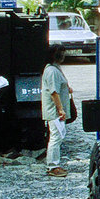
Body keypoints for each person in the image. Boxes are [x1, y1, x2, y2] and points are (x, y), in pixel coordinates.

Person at [41, 44, 72, 177]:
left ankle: (54, 164)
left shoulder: (54, 69)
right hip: (54, 111)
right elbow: (54, 92)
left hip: (55, 110)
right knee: (55, 137)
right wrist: (60, 109)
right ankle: (53, 166)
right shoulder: (52, 71)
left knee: (57, 136)